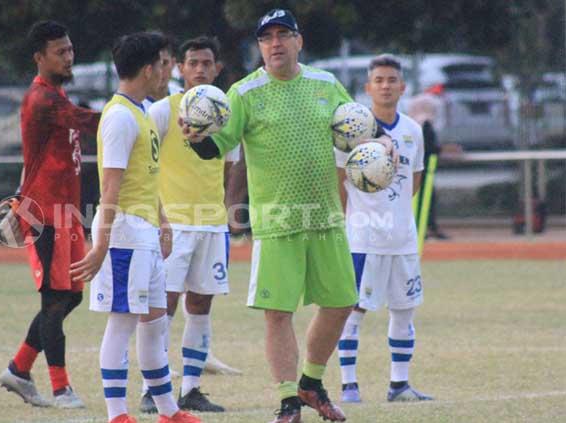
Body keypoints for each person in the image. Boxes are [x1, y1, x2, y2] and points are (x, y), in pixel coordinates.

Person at [183, 9, 397, 423]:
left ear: (299, 41)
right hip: (277, 220)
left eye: (283, 35)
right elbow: (216, 147)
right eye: (267, 38)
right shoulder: (244, 92)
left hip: (326, 217)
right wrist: (195, 138)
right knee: (278, 312)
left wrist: (385, 144)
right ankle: (287, 401)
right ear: (259, 46)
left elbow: (359, 125)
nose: (275, 43)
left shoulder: (325, 83)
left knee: (341, 303)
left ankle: (311, 382)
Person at [70, 32, 200, 423]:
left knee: (155, 321)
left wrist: (161, 220)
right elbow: (110, 187)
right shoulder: (121, 116)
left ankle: (167, 411)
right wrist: (100, 246)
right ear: (148, 68)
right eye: (164, 63)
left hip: (143, 230)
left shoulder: (142, 110)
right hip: (124, 232)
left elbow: (144, 176)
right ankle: (117, 415)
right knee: (123, 322)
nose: (167, 71)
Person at [0, 20, 101, 409]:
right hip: (44, 214)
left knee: (71, 297)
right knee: (55, 301)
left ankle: (19, 368)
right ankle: (61, 389)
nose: (69, 56)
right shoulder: (43, 99)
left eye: (70, 49)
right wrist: (134, 115)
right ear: (39, 57)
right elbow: (88, 121)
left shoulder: (57, 93)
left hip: (65, 212)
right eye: (61, 51)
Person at [140, 35, 235, 414]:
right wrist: (158, 217)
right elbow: (144, 167)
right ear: (179, 68)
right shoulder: (163, 111)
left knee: (201, 305)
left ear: (217, 68)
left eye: (206, 63)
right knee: (163, 306)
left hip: (212, 225)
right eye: (192, 62)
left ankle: (191, 388)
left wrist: (230, 210)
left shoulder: (226, 112)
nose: (199, 69)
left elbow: (232, 165)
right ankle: (153, 387)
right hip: (173, 225)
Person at [335, 54, 434, 404]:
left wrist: (393, 210)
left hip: (403, 238)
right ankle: (349, 385)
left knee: (404, 309)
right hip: (363, 238)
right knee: (353, 311)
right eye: (379, 80)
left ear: (403, 87)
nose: (386, 86)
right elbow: (339, 182)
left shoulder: (413, 130)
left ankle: (399, 385)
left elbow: (415, 180)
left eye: (392, 80)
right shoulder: (352, 131)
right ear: (368, 88)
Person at [407, 93, 449, 239]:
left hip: (419, 169)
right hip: (423, 169)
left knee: (421, 199)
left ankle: (426, 227)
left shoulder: (412, 125)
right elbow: (430, 147)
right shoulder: (425, 125)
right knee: (424, 199)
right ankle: (424, 227)